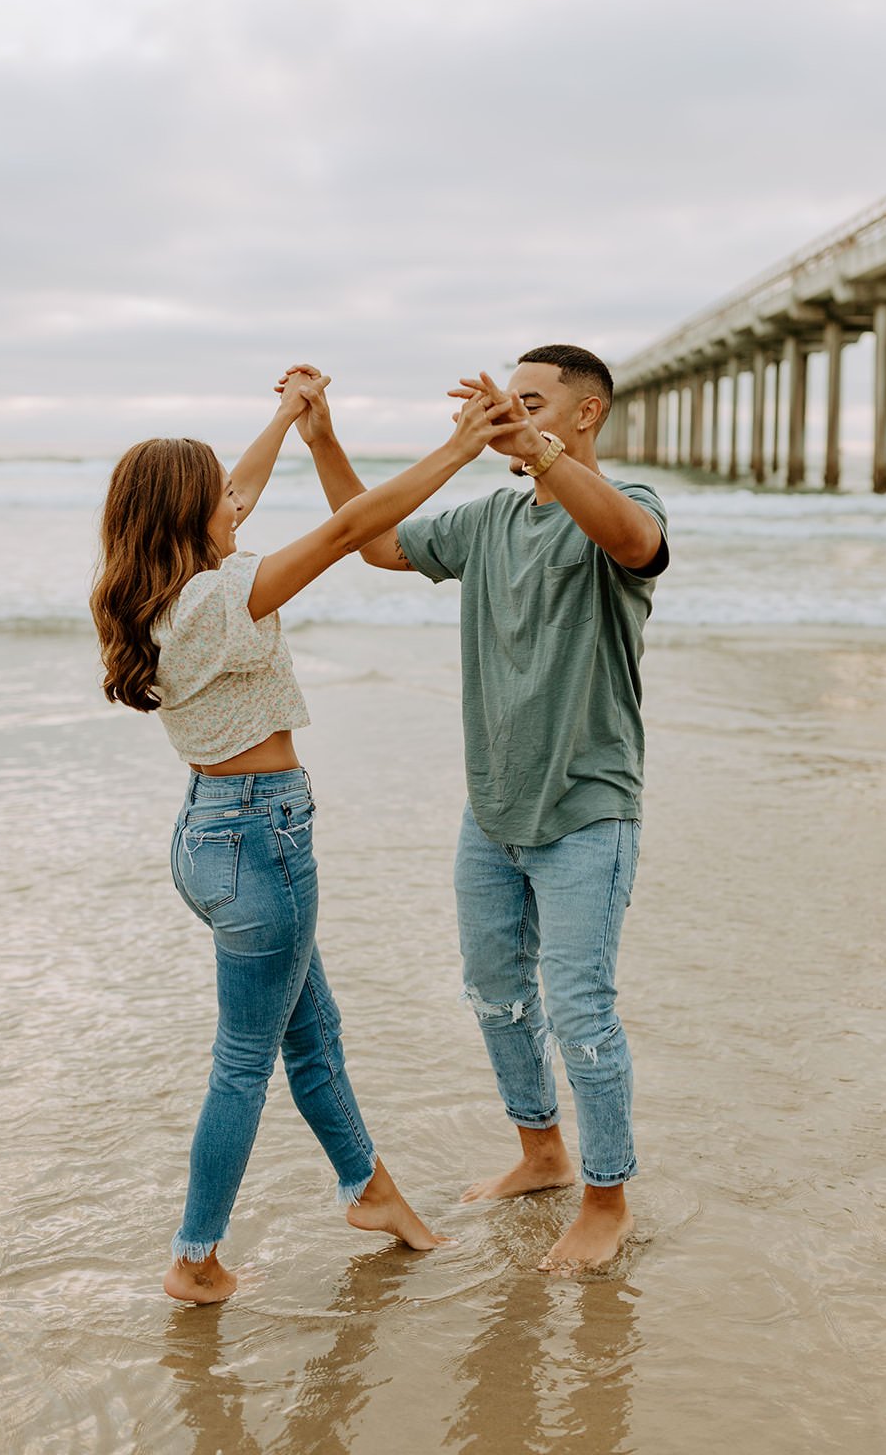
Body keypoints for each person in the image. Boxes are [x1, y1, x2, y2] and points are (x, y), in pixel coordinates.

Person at [90, 369, 526, 1303]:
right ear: (189, 515)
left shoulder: (157, 588)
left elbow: (240, 489)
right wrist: (458, 450)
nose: (235, 505)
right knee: (245, 1062)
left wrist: (290, 416)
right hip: (260, 841)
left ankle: (374, 1194)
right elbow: (343, 531)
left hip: (212, 838)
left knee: (312, 1033)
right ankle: (195, 1258)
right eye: (219, 499)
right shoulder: (217, 599)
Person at [279, 345, 668, 1271]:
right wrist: (323, 439)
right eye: (503, 398)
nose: (507, 412)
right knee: (496, 997)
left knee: (580, 1012)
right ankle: (542, 1155)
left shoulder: (629, 505)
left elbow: (630, 543)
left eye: (530, 401)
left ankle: (607, 1199)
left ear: (585, 416)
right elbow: (374, 543)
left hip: (588, 808)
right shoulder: (488, 518)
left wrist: (538, 454)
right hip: (490, 812)